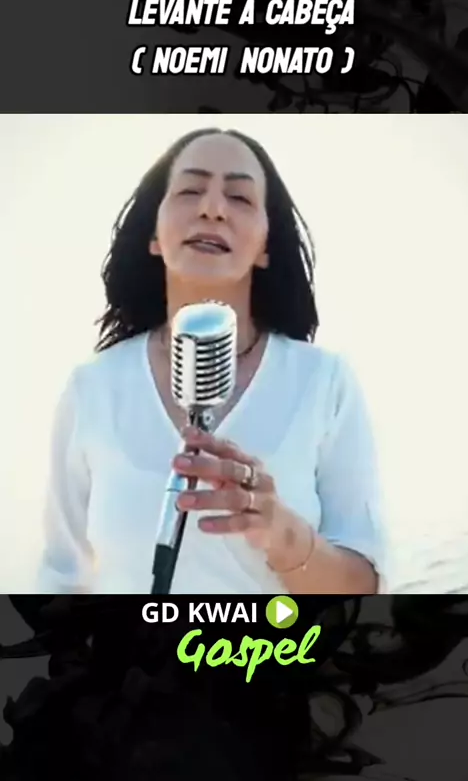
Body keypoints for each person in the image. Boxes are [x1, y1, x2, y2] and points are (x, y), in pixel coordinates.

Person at [37, 127, 385, 594]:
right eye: (190, 190)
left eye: (239, 197)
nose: (213, 208)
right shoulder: (93, 389)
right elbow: (58, 580)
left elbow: (365, 585)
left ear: (265, 247)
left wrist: (283, 535)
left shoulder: (325, 383)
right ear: (154, 235)